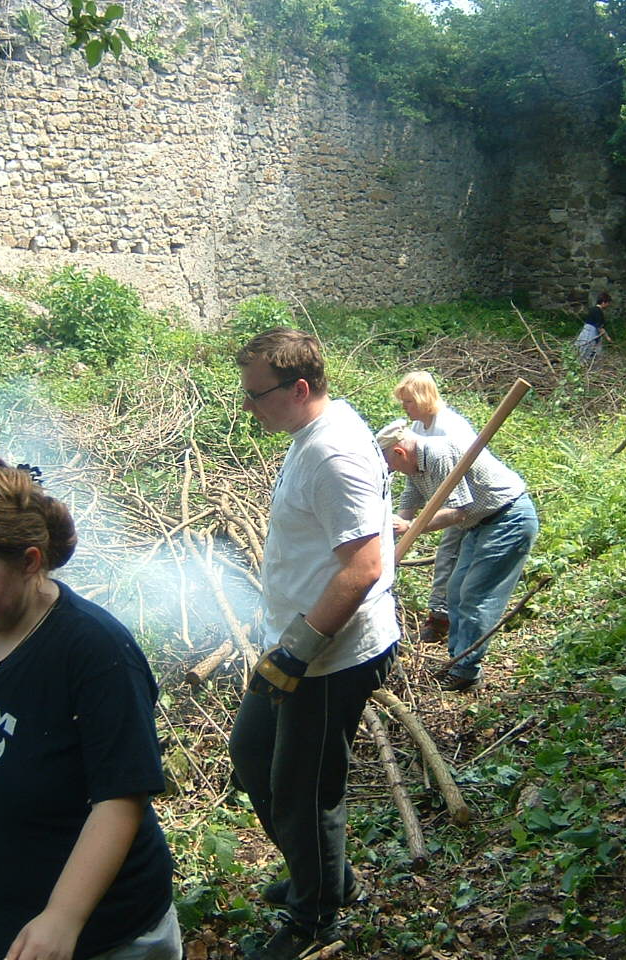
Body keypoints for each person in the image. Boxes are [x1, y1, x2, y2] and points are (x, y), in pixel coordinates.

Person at [0, 457, 180, 960]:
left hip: (91, 935)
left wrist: (62, 917)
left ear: (30, 562)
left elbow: (120, 798)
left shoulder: (95, 653)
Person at [227, 328, 399, 960]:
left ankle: (315, 917)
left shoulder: (333, 453)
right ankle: (323, 876)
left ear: (300, 388)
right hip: (296, 647)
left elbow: (363, 567)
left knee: (304, 790)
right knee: (252, 756)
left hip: (330, 655)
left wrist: (296, 654)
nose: (249, 407)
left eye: (257, 395)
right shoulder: (315, 434)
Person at [374, 420, 538, 692]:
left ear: (400, 453)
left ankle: (467, 671)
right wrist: (385, 548)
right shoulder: (416, 465)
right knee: (455, 591)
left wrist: (411, 528)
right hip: (479, 524)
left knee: (476, 596)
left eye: (391, 464)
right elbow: (408, 506)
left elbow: (457, 511)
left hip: (508, 519)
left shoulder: (439, 455)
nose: (392, 470)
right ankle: (457, 661)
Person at [392, 372, 480, 643]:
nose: (405, 407)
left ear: (422, 398)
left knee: (449, 556)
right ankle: (442, 614)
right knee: (449, 558)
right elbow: (415, 481)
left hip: (464, 501)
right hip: (444, 499)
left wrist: (415, 525)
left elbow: (460, 479)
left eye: (408, 401)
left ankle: (440, 617)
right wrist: (403, 517)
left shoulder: (450, 427)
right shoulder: (418, 428)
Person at [574, 291, 613, 363]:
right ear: (603, 302)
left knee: (582, 349)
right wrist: (607, 337)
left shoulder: (592, 309)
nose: (608, 305)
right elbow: (599, 327)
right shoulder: (598, 312)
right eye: (608, 303)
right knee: (587, 350)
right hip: (591, 333)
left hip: (585, 331)